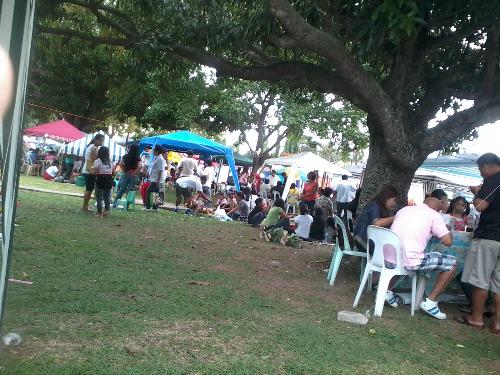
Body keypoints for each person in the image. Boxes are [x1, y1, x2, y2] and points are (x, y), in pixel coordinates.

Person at [390, 197, 455, 320]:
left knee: (404, 251)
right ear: (437, 209)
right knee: (452, 264)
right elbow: (448, 241)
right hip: (412, 261)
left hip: (391, 257)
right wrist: (447, 229)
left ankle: (387, 292)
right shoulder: (434, 215)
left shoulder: (404, 209)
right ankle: (430, 302)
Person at [458, 153, 500, 335]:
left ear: (486, 167)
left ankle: (476, 318)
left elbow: (481, 205)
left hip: (490, 236)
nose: (481, 173)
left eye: (481, 170)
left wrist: (477, 192)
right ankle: (498, 324)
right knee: (499, 283)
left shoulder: (492, 179)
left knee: (480, 279)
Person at [354, 185, 400, 252]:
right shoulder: (374, 205)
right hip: (362, 240)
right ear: (387, 197)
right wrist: (396, 217)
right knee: (389, 252)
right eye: (394, 200)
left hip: (361, 238)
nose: (395, 204)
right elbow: (377, 223)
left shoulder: (378, 206)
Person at [81, 134, 105, 212]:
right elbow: (93, 159)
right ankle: (84, 206)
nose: (102, 142)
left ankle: (86, 205)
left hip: (88, 170)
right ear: (96, 140)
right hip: (89, 171)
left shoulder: (91, 147)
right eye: (101, 140)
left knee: (89, 189)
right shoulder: (94, 148)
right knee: (89, 189)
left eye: (102, 140)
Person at [90, 146, 114, 218]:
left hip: (100, 179)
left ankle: (100, 213)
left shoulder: (98, 161)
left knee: (99, 197)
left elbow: (96, 172)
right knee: (107, 197)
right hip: (109, 180)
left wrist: (91, 171)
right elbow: (113, 173)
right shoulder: (110, 162)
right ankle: (106, 210)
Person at [144, 145, 166, 212]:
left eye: (154, 150)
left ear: (157, 151)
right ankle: (155, 208)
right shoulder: (156, 158)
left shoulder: (160, 159)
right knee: (156, 193)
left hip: (156, 179)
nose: (153, 151)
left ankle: (148, 207)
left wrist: (158, 181)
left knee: (149, 192)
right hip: (154, 178)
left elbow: (160, 170)